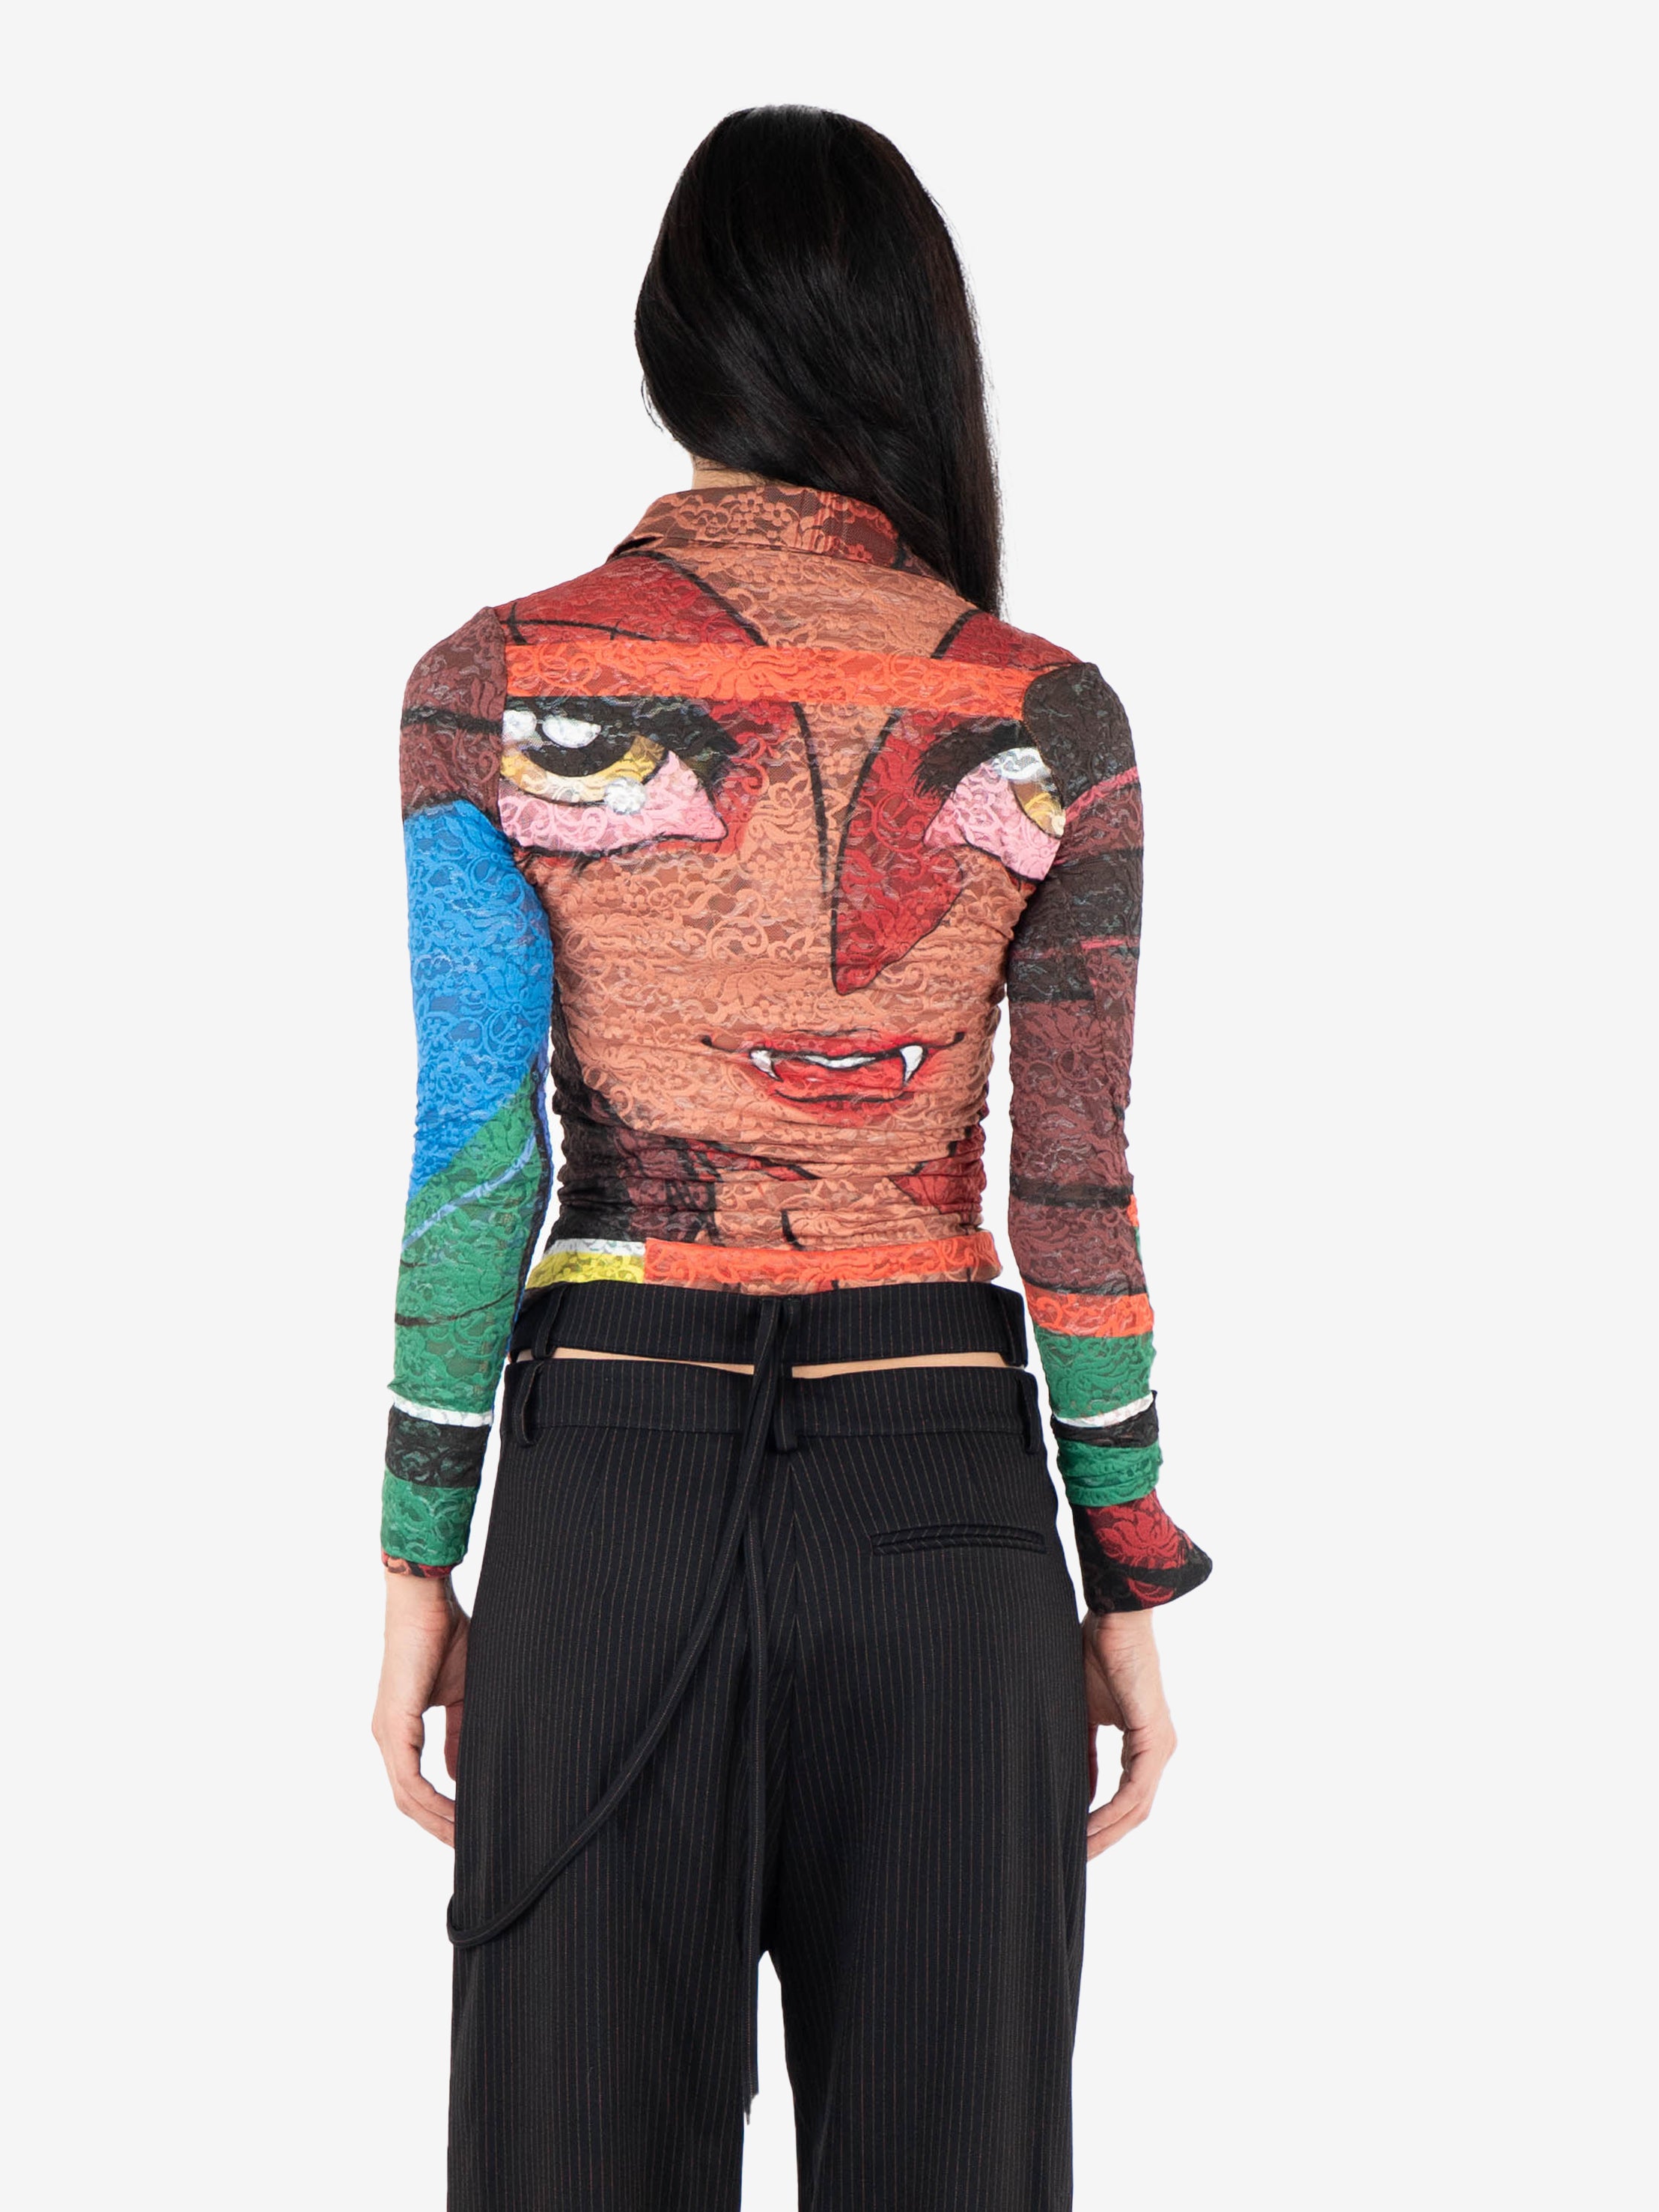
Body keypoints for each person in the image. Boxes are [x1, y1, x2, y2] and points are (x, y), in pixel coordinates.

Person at [371, 103, 1211, 2212]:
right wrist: (1121, 1565)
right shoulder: (1055, 715)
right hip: (945, 1506)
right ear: (918, 347)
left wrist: (416, 1562)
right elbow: (1075, 1185)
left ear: (675, 347)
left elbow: (473, 1160)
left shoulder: (496, 685)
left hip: (610, 1499)